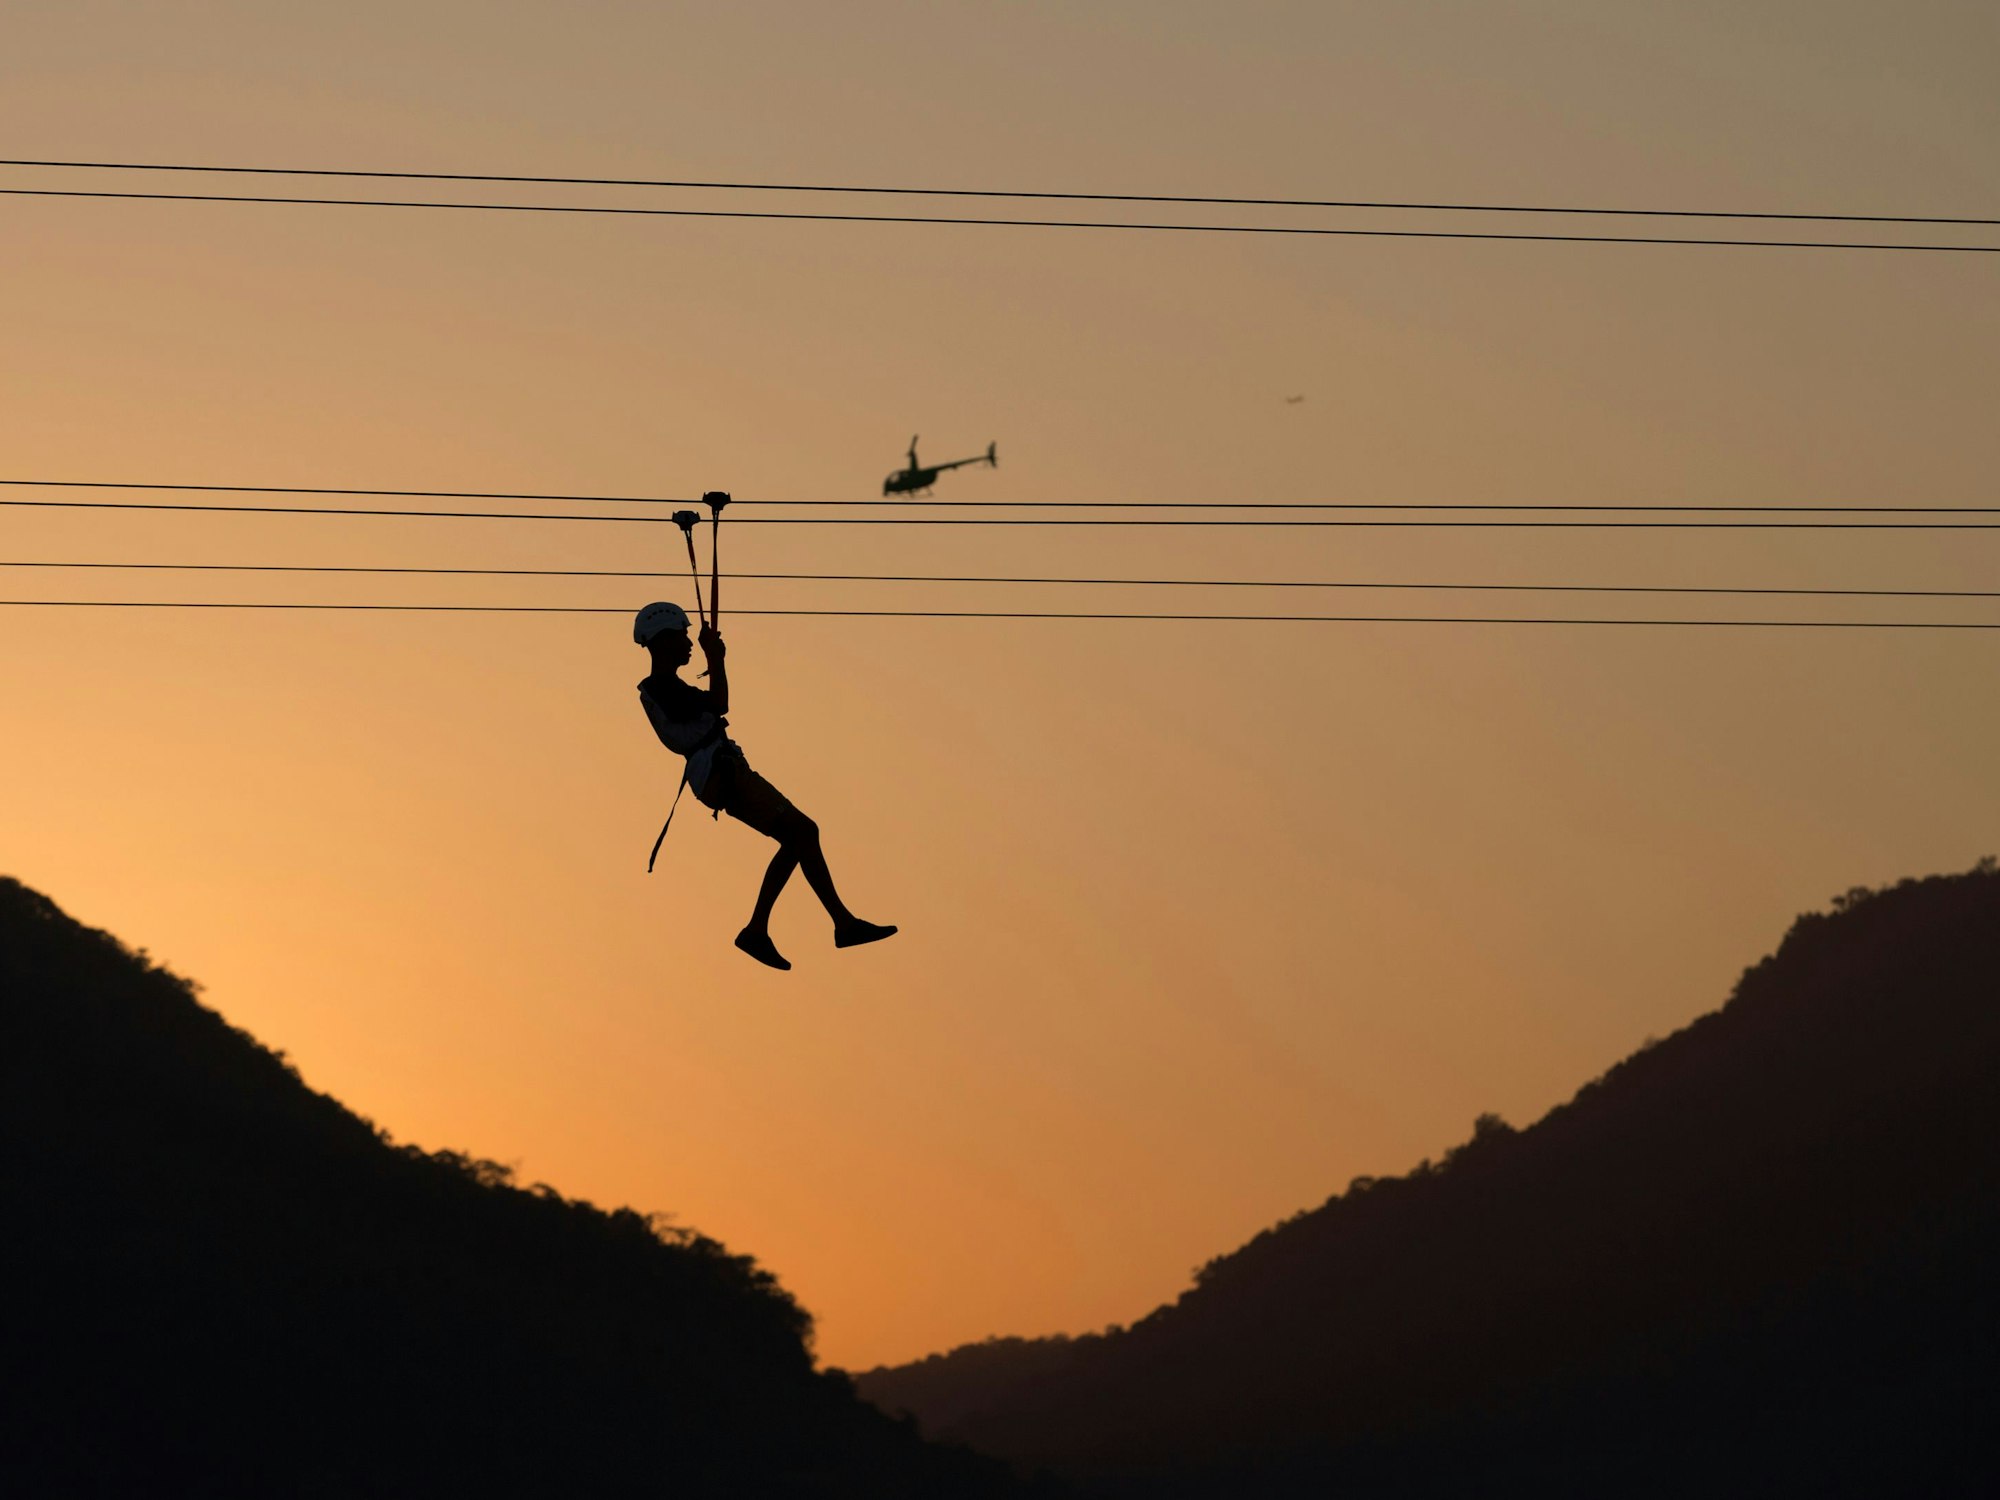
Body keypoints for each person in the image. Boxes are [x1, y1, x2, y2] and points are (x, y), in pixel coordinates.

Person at [634, 601, 896, 970]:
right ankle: (833, 924)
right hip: (720, 772)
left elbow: (712, 707)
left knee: (799, 836)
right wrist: (717, 657)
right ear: (662, 641)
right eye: (683, 636)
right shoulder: (664, 688)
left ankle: (781, 928)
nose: (689, 642)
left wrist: (714, 656)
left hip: (719, 771)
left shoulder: (666, 687)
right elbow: (720, 704)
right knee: (804, 831)